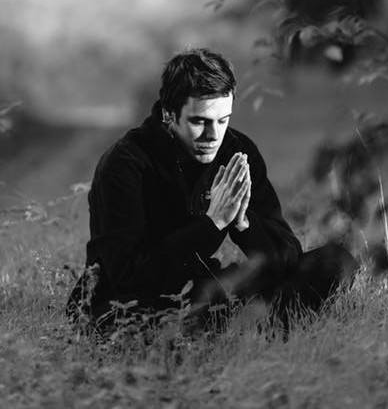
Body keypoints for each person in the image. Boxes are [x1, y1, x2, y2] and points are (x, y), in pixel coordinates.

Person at [66, 48, 358, 334]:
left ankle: (248, 330)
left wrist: (243, 222)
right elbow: (128, 276)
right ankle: (242, 329)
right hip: (134, 303)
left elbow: (287, 257)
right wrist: (213, 224)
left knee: (335, 263)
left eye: (222, 120)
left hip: (207, 290)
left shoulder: (236, 152)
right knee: (194, 310)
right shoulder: (124, 164)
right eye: (199, 122)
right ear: (169, 114)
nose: (213, 136)